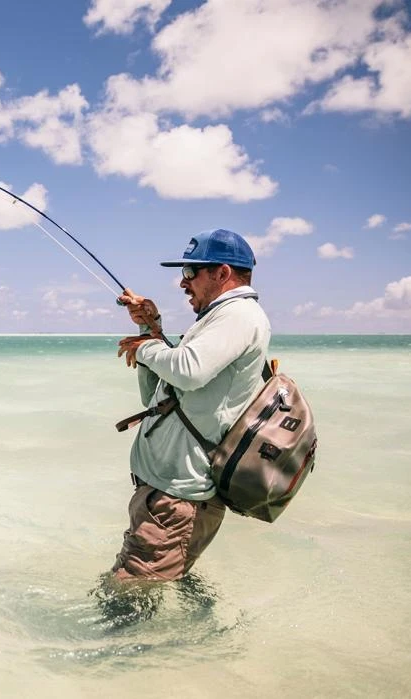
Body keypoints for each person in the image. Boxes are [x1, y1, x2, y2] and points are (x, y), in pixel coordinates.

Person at [110, 228, 271, 581]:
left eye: (190, 272)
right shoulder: (219, 318)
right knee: (152, 590)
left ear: (222, 273)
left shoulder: (239, 315)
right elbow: (161, 396)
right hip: (167, 495)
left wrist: (146, 349)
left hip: (178, 499)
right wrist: (151, 330)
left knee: (122, 598)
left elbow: (188, 371)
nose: (183, 283)